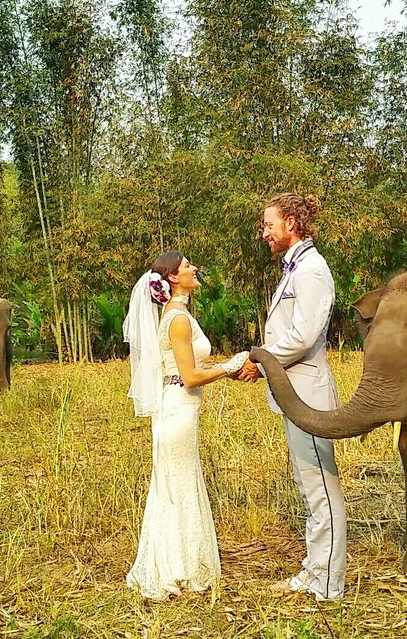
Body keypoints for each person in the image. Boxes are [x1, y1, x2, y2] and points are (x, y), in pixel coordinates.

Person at [238, 192, 346, 600]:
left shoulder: (312, 271)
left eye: (268, 225)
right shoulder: (296, 268)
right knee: (308, 484)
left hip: (308, 395)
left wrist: (260, 359)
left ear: (291, 223)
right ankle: (314, 569)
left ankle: (328, 584)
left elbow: (302, 336)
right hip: (293, 393)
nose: (263, 233)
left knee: (320, 486)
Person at [123, 251, 249, 600]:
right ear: (173, 278)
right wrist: (230, 366)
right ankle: (177, 568)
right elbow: (191, 376)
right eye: (187, 265)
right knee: (176, 483)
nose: (194, 268)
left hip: (181, 407)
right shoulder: (178, 319)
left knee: (176, 481)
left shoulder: (177, 314)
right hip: (178, 409)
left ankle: (181, 563)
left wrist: (226, 369)